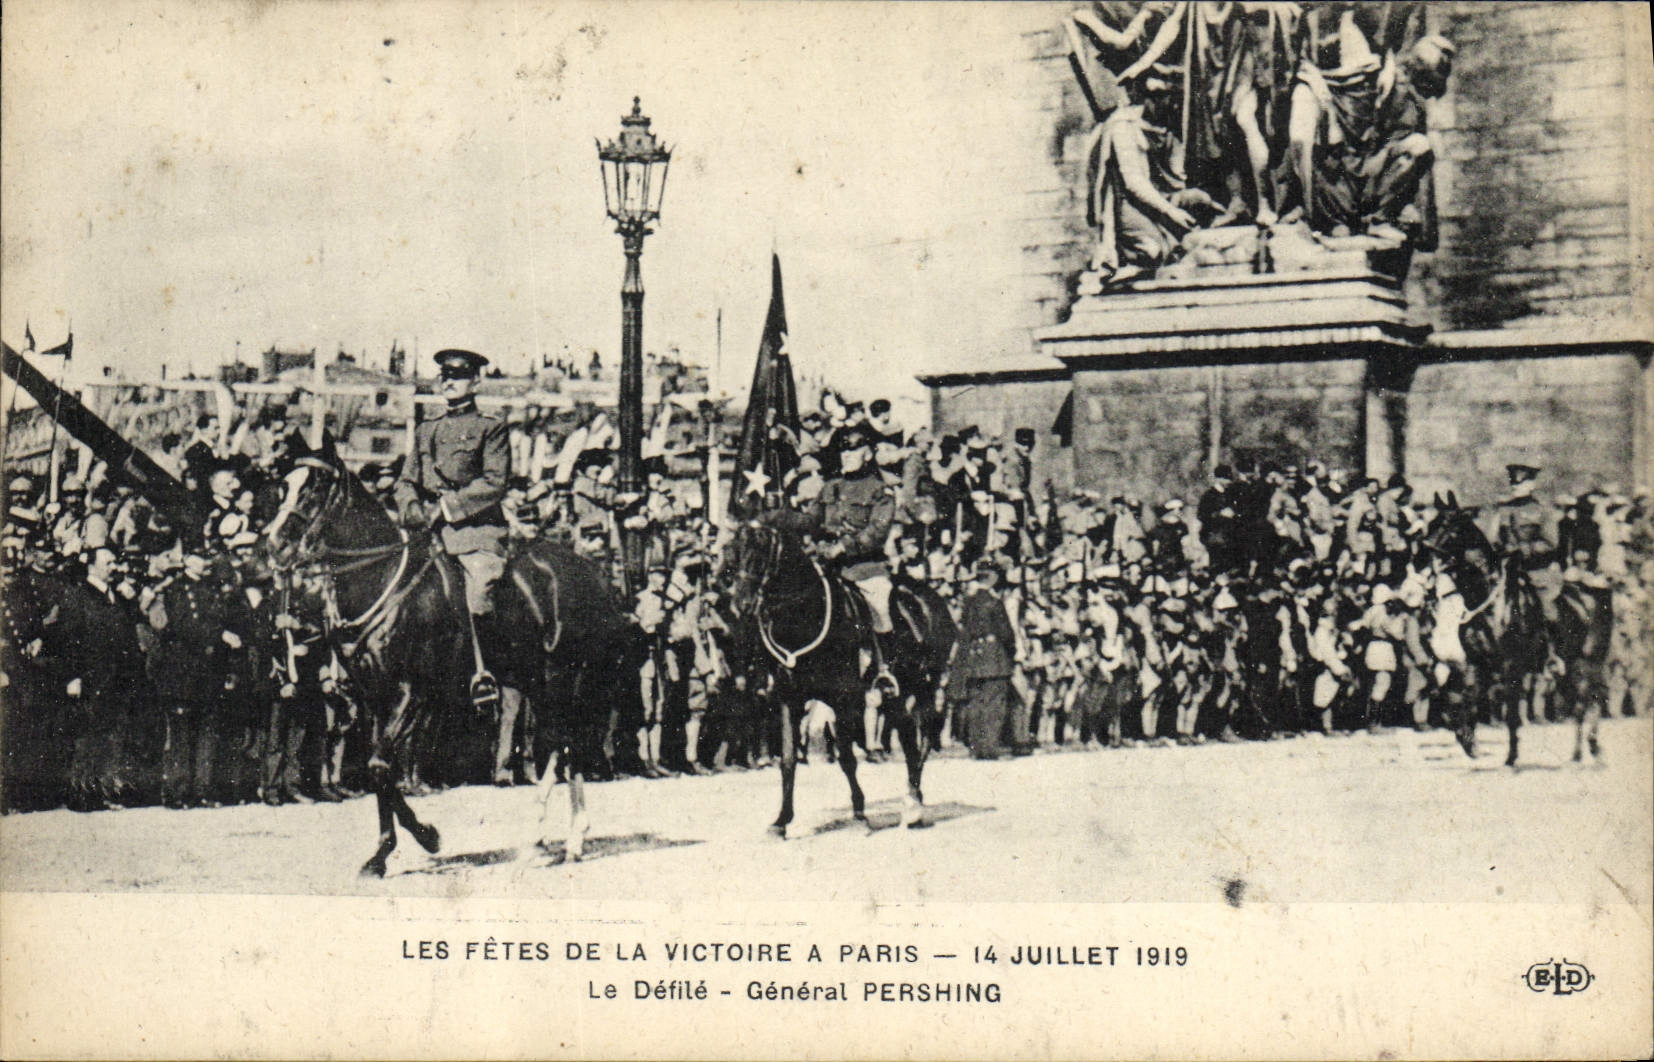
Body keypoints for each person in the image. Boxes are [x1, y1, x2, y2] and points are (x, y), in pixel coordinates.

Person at [393, 348, 513, 708]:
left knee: (477, 594)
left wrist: (445, 508)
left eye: (458, 376)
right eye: (444, 376)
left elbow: (494, 483)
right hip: (428, 536)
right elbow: (405, 481)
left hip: (474, 535)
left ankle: (483, 673)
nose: (449, 382)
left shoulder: (490, 428)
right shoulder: (427, 429)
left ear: (475, 382)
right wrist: (412, 507)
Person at [955, 560, 1017, 760]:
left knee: (976, 703)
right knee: (994, 705)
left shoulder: (969, 601)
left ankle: (976, 747)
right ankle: (989, 748)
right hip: (994, 657)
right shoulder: (994, 602)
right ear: (993, 577)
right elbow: (1006, 633)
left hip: (974, 657)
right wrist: (1011, 653)